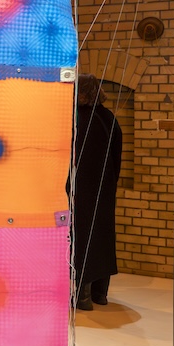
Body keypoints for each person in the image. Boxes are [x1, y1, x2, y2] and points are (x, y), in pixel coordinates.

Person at [73, 74, 122, 310]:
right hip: (105, 189)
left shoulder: (76, 118)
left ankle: (82, 296)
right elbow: (117, 156)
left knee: (83, 238)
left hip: (80, 189)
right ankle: (100, 293)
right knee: (103, 236)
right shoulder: (109, 118)